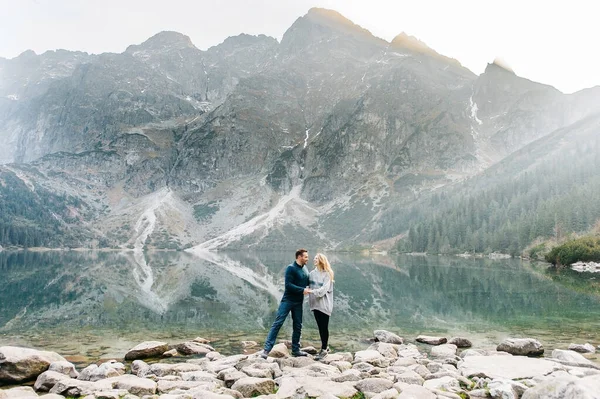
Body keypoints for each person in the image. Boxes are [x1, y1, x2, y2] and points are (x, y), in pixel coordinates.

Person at [259, 249, 311, 359]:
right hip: (288, 300)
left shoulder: (305, 269)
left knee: (298, 325)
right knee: (278, 323)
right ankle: (266, 350)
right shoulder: (290, 268)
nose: (308, 259)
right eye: (306, 257)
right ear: (299, 257)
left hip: (298, 302)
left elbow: (308, 282)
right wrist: (302, 290)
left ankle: (296, 350)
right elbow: (288, 285)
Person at [309, 253, 334, 360]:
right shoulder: (311, 273)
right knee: (320, 327)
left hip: (324, 305)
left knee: (324, 327)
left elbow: (323, 291)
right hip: (315, 304)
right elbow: (306, 285)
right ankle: (325, 347)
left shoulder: (327, 274)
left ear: (321, 260)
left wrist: (311, 291)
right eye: (314, 258)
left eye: (316, 258)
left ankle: (324, 350)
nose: (314, 259)